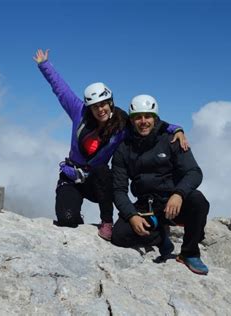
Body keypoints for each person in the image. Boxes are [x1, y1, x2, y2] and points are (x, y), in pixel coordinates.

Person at [33, 49, 188, 241]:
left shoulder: (123, 122)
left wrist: (176, 129)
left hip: (98, 183)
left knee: (102, 170)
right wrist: (44, 65)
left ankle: (106, 221)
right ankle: (76, 214)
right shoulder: (78, 112)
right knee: (67, 220)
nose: (100, 109)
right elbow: (60, 89)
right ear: (89, 107)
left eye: (104, 103)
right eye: (96, 106)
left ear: (111, 102)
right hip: (71, 178)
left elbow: (147, 123)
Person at [111, 94, 210, 275]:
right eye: (138, 117)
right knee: (119, 236)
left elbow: (194, 172)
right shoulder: (123, 148)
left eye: (148, 116)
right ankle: (159, 237)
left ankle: (189, 253)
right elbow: (118, 189)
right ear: (131, 120)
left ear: (155, 118)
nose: (143, 121)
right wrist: (132, 216)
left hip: (171, 203)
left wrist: (179, 194)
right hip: (146, 206)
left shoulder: (171, 139)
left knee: (198, 201)